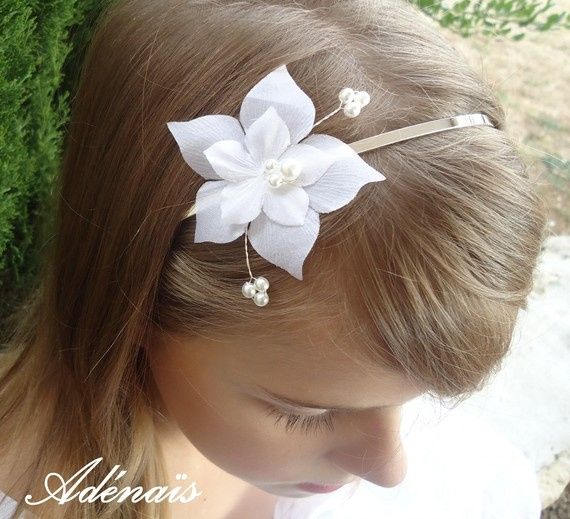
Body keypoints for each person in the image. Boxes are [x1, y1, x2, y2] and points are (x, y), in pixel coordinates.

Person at [0, 0, 547, 517]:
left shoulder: (463, 474)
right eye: (305, 413)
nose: (389, 468)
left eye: (417, 397)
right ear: (136, 298)